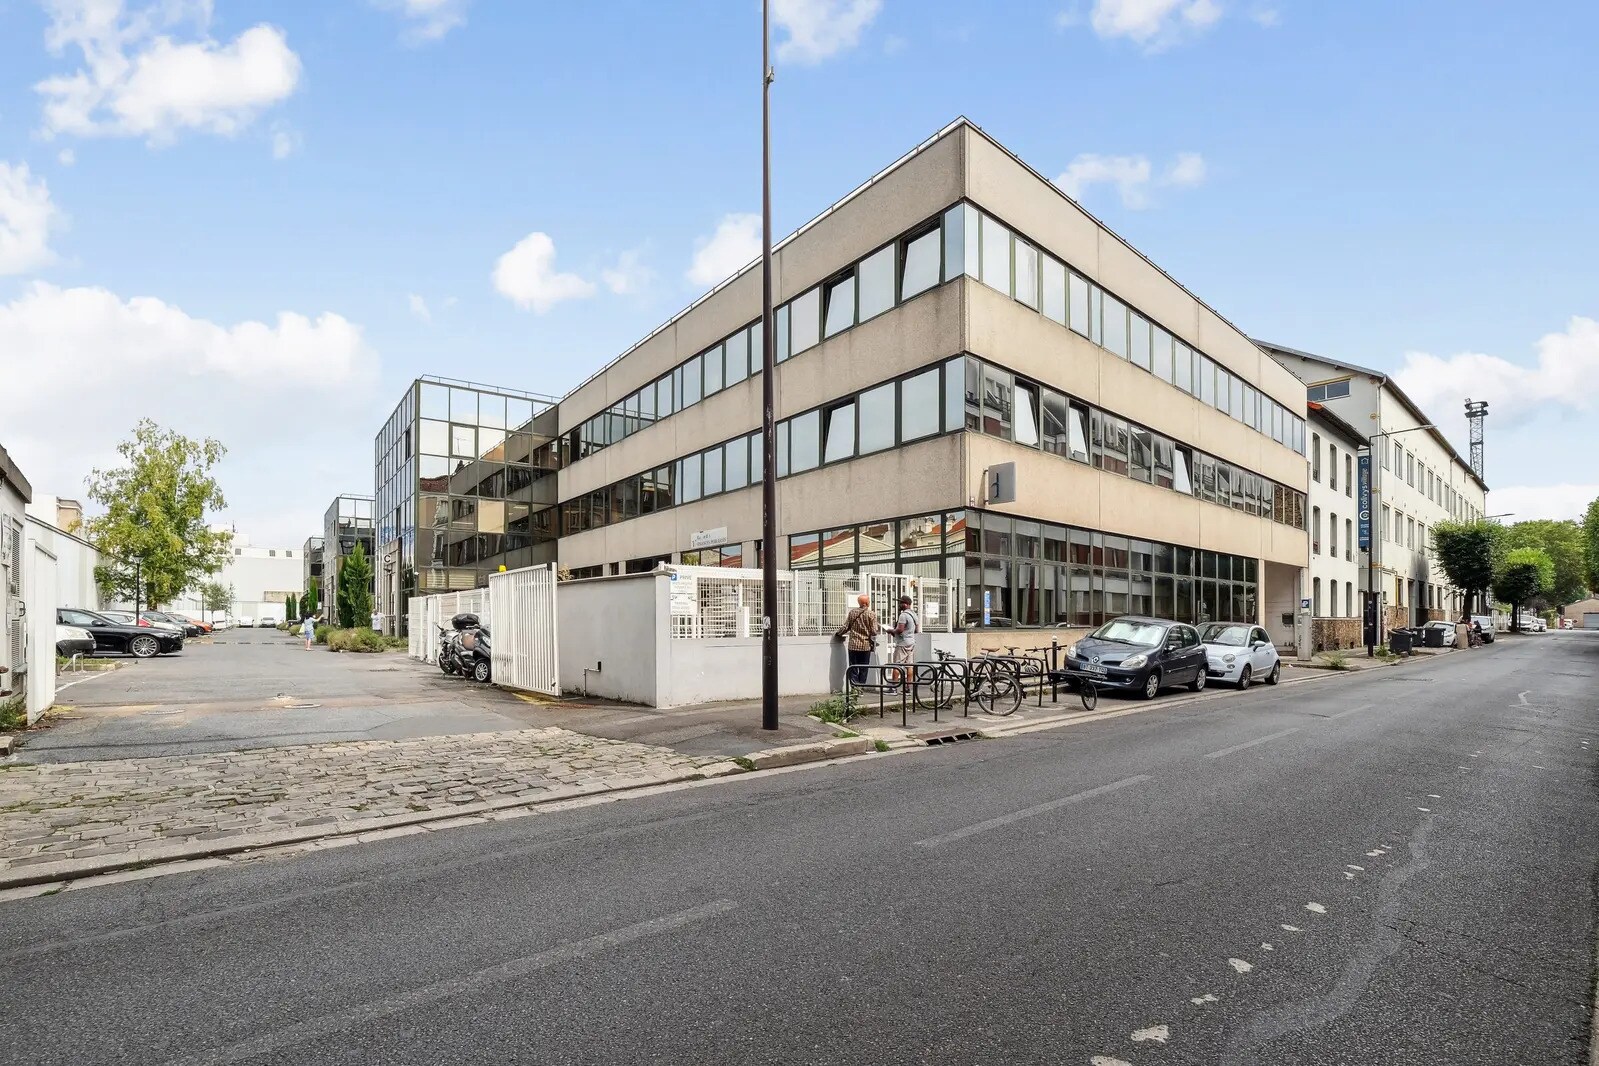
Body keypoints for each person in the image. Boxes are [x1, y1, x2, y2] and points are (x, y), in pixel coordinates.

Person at [833, 594, 879, 685]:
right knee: (864, 667)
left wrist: (838, 634)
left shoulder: (852, 613)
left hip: (853, 645)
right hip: (865, 646)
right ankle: (861, 686)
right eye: (869, 601)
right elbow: (874, 631)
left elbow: (846, 627)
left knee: (853, 667)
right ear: (866, 603)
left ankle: (854, 687)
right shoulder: (871, 614)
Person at [890, 595, 920, 670]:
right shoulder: (914, 614)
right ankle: (910, 679)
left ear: (906, 604)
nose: (899, 604)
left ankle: (895, 678)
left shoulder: (903, 615)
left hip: (902, 643)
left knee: (897, 666)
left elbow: (900, 630)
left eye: (901, 603)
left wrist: (891, 631)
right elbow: (916, 630)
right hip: (911, 643)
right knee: (909, 666)